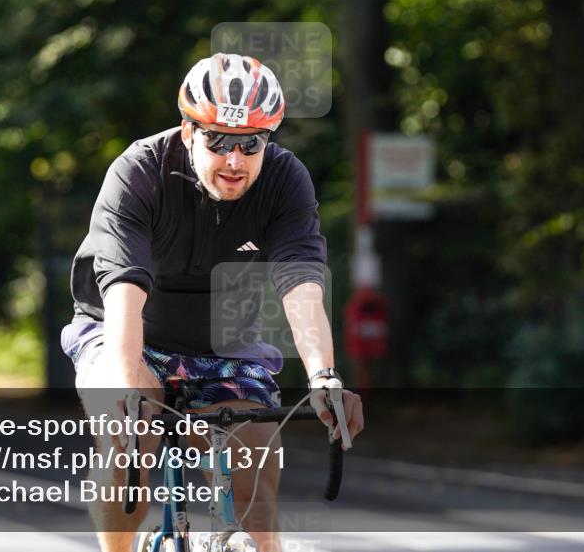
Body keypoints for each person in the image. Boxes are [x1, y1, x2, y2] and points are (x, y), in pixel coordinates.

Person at [62, 53, 364, 552]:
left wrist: (323, 375)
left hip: (225, 344)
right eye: (217, 140)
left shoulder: (285, 180)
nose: (234, 160)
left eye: (250, 144)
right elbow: (123, 287)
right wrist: (126, 371)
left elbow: (300, 283)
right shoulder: (140, 171)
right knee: (128, 432)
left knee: (257, 468)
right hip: (123, 329)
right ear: (187, 132)